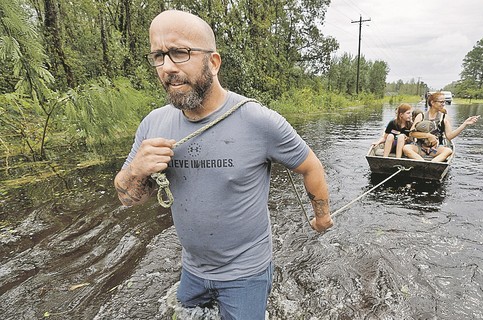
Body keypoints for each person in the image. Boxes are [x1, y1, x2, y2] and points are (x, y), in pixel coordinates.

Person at [113, 10, 333, 319]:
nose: (167, 68)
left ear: (213, 62)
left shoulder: (258, 121)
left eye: (179, 53)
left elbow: (311, 167)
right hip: (192, 268)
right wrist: (136, 171)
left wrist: (321, 217)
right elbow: (126, 198)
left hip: (246, 273)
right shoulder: (154, 124)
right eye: (158, 56)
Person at [403, 91, 480, 162]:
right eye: (441, 102)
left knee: (448, 151)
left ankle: (432, 163)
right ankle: (422, 163)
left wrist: (465, 124)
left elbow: (449, 136)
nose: (443, 104)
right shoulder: (421, 116)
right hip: (421, 148)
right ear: (432, 103)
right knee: (406, 148)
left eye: (444, 102)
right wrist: (428, 135)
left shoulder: (444, 117)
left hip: (435, 150)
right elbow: (411, 134)